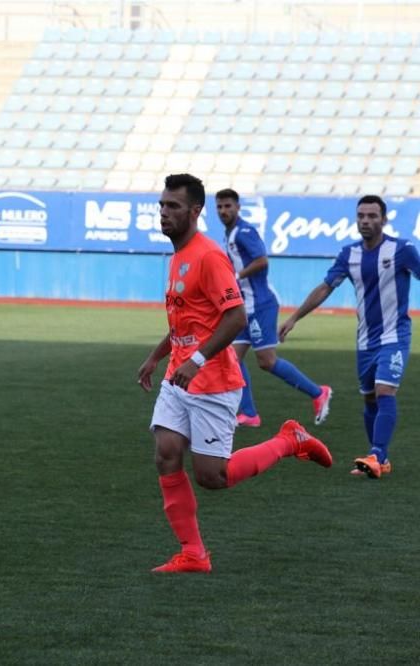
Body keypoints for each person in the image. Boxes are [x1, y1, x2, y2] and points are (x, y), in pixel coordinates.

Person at [137, 174, 332, 574]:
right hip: (180, 375)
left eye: (173, 206)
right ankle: (193, 553)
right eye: (161, 205)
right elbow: (186, 319)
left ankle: (288, 439)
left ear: (195, 211)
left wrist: (198, 360)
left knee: (213, 476)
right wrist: (157, 356)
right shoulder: (178, 256)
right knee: (166, 454)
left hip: (212, 380)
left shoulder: (209, 256)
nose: (163, 213)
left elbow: (235, 316)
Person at [280, 195, 420, 479]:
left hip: (395, 335)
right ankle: (380, 456)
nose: (366, 221)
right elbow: (325, 288)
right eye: (361, 216)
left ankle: (377, 455)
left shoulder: (402, 250)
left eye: (372, 216)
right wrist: (294, 317)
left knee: (384, 391)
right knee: (369, 399)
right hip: (365, 340)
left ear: (384, 219)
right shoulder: (349, 254)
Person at [215, 188, 332, 428]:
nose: (224, 211)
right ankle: (249, 414)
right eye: (219, 207)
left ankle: (318, 392)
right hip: (244, 306)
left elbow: (262, 260)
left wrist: (235, 276)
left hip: (260, 304)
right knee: (231, 357)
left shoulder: (244, 231)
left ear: (238, 207)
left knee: (266, 361)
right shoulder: (229, 234)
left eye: (228, 206)